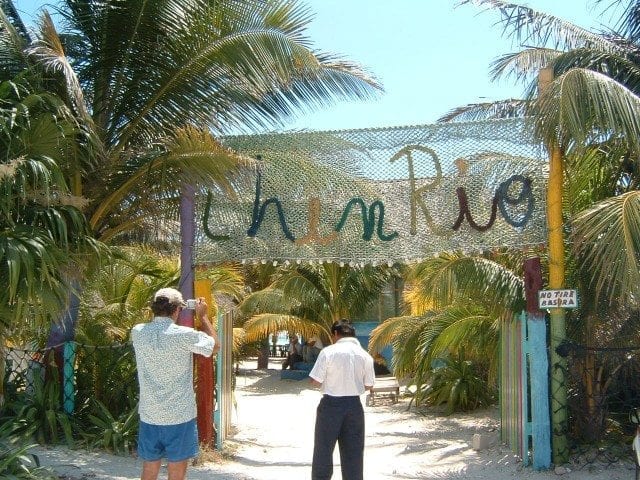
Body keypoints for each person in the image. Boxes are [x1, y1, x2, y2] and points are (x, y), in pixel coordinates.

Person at [131, 287, 219, 480]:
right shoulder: (184, 335)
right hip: (179, 417)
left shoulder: (137, 332)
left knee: (149, 470)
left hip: (150, 415)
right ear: (178, 309)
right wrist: (203, 317)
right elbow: (215, 346)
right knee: (177, 473)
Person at [309, 320, 375, 480]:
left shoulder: (328, 352)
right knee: (353, 453)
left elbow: (315, 381)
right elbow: (368, 385)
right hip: (354, 406)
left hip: (330, 405)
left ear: (335, 334)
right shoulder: (365, 355)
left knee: (323, 450)